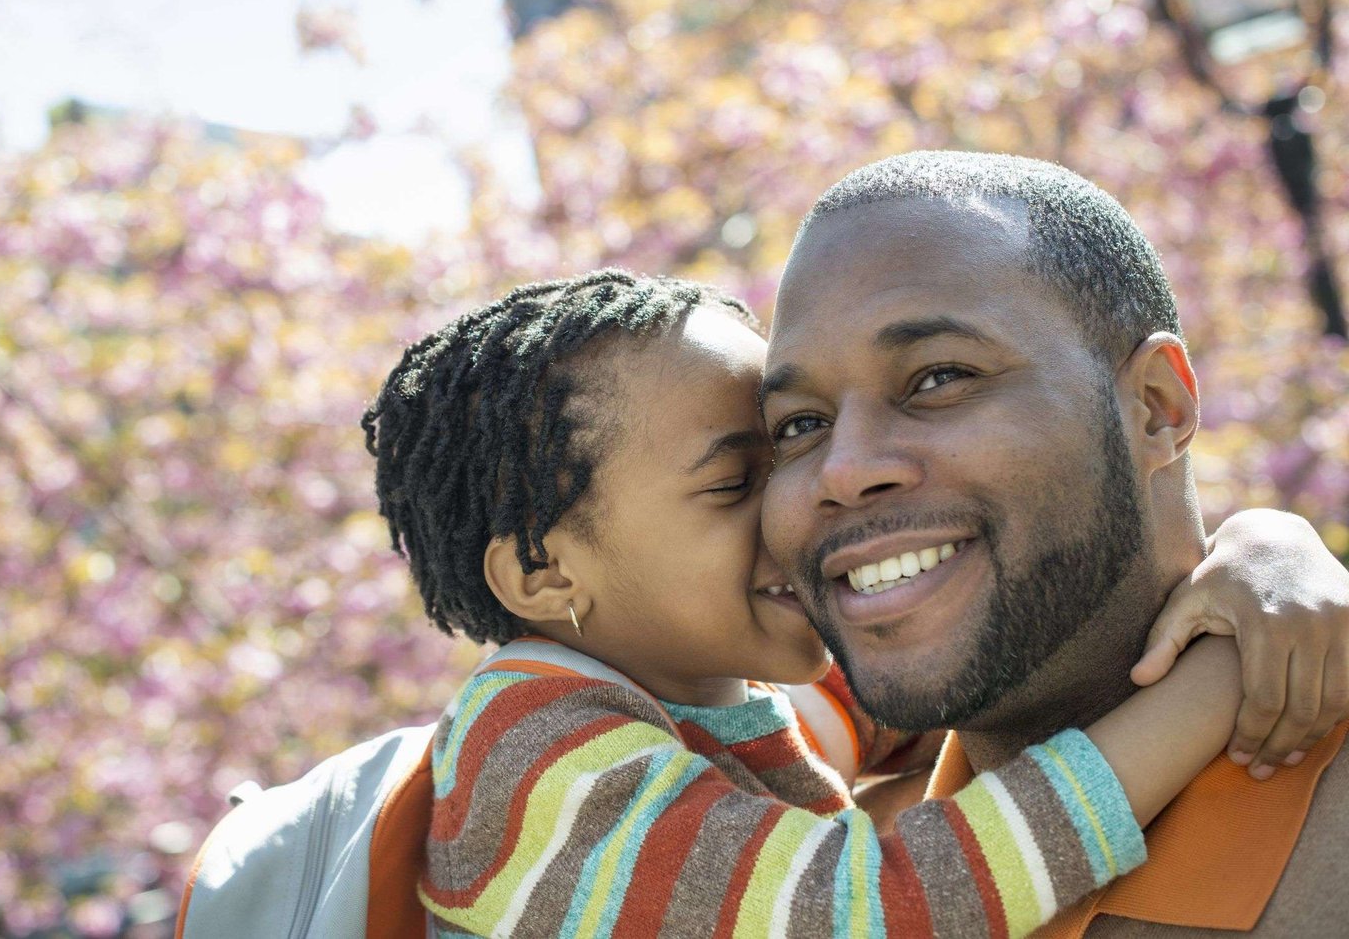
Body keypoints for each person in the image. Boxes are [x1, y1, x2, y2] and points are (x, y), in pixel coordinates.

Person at [362, 269, 1347, 936]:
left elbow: (914, 684)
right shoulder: (537, 758)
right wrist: (1220, 679)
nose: (805, 499)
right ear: (543, 575)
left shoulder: (697, 709)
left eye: (791, 440)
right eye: (732, 481)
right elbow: (880, 907)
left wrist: (1261, 550)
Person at [761, 150, 1349, 935]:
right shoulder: (821, 887)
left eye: (938, 377)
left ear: (1156, 408)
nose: (845, 470)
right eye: (799, 425)